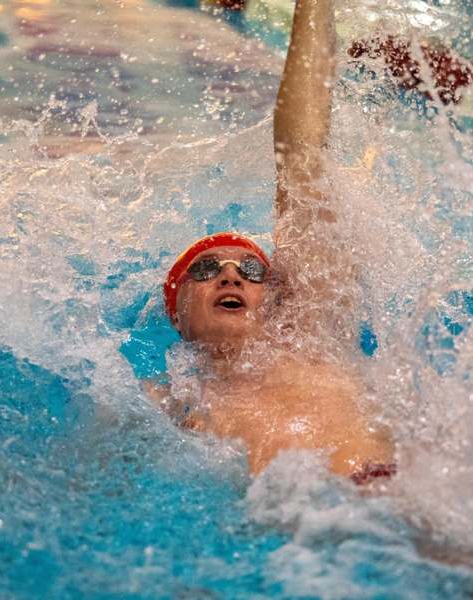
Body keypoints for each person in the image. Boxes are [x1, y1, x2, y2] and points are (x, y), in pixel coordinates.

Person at [150, 0, 395, 484]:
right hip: (296, 528)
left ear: (274, 296)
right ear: (176, 315)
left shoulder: (311, 335)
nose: (230, 273)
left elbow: (300, 155)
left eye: (252, 271)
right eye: (205, 269)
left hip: (386, 488)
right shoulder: (171, 397)